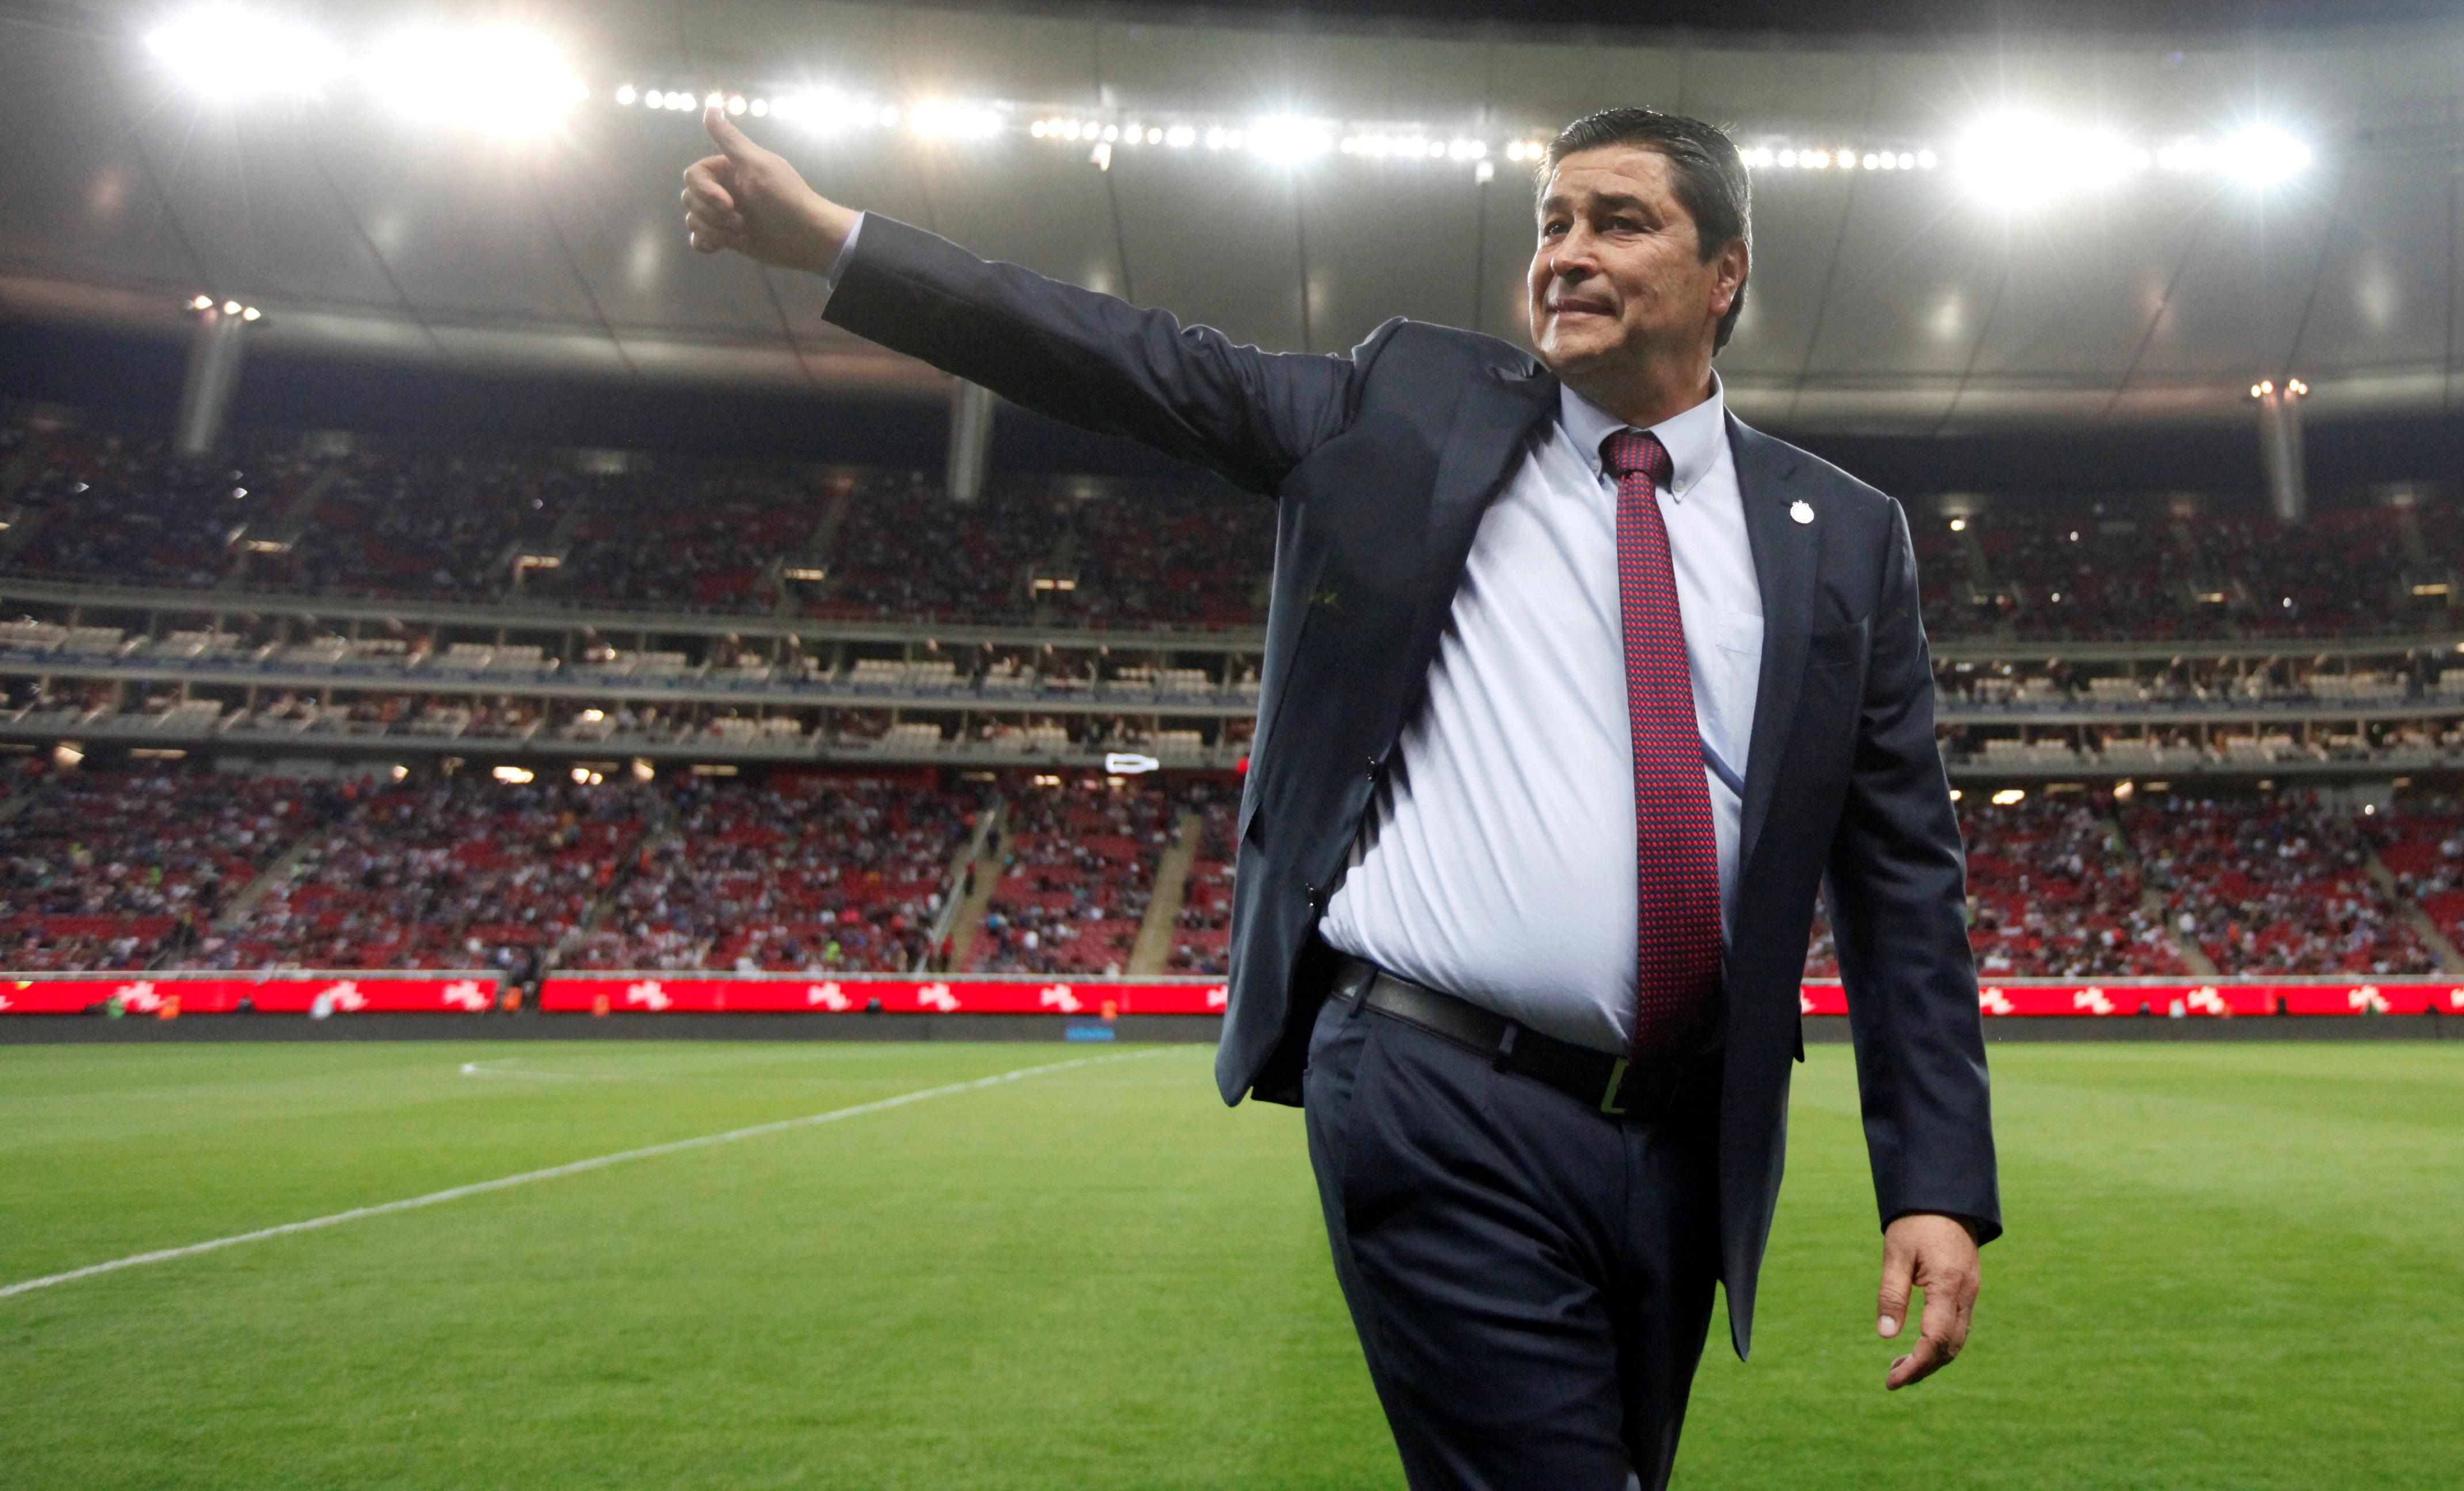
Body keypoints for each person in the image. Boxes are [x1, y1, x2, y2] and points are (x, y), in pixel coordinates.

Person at [683, 101, 1997, 1490]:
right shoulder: (1408, 408)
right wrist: (830, 241)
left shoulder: (1842, 534)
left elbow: (1903, 876)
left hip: (1686, 1143)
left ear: (1726, 271)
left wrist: (1935, 1183)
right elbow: (1128, 361)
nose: (1565, 252)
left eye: (1619, 221)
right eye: (1551, 222)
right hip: (1437, 1094)